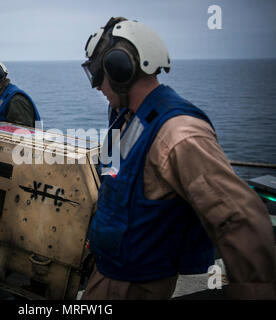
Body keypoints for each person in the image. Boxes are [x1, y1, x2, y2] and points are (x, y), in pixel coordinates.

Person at [81, 17, 276, 300]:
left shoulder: (178, 133)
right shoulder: (125, 119)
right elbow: (114, 183)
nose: (96, 86)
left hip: (135, 284)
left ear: (120, 69)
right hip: (109, 270)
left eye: (98, 74)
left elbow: (240, 219)